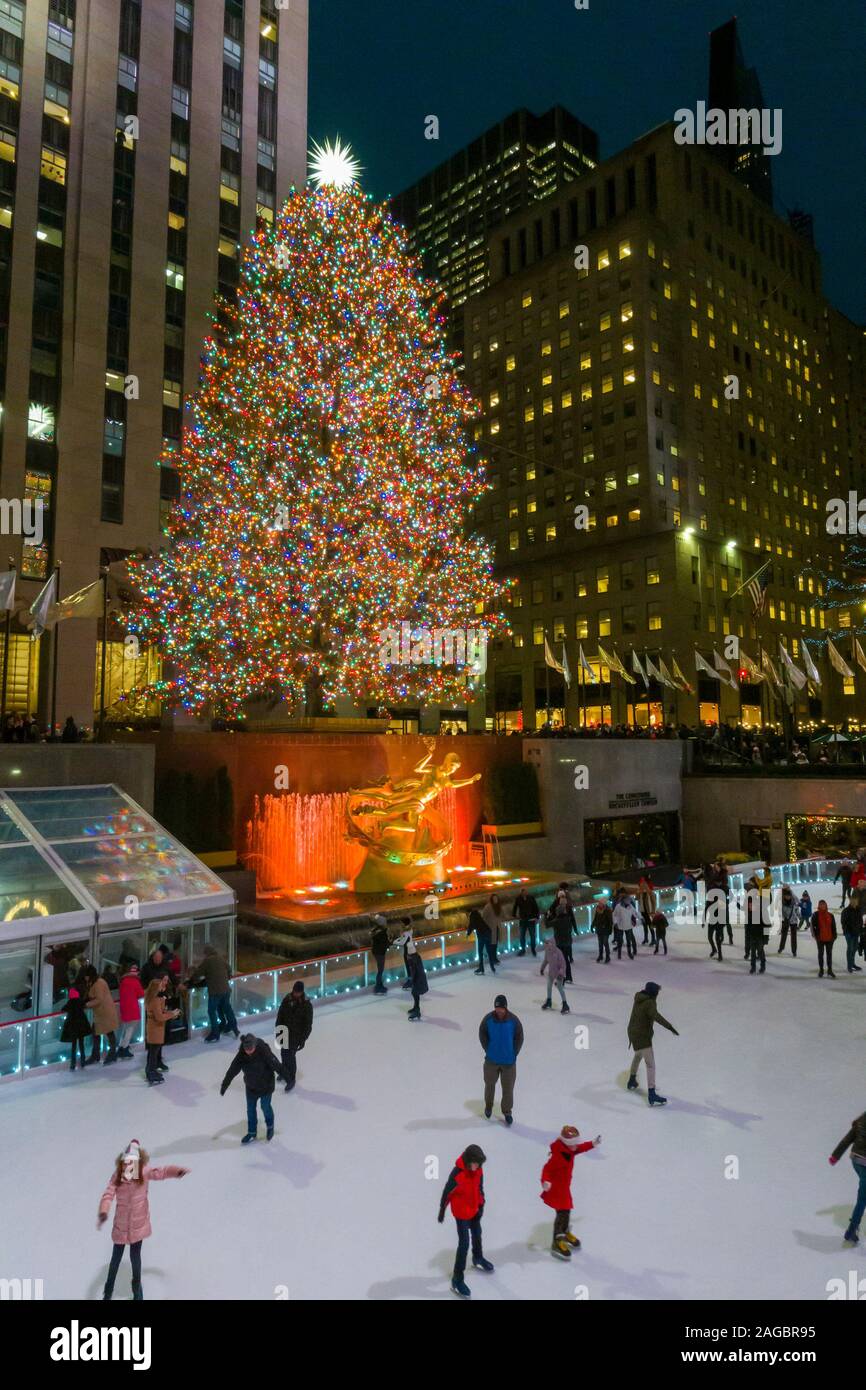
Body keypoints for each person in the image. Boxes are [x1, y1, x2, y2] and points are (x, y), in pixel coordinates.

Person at [98, 1140, 189, 1301]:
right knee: (115, 1259)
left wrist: (176, 1172)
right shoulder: (117, 1176)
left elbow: (161, 1172)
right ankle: (108, 1289)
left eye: (132, 1163)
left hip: (138, 1226)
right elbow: (108, 1194)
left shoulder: (144, 1172)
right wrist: (104, 1211)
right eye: (126, 1163)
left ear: (138, 1162)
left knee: (135, 1258)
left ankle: (137, 1289)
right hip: (121, 1226)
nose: (129, 1167)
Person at [437, 1144, 493, 1298]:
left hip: (474, 1209)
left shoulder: (479, 1169)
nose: (477, 1166)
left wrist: (481, 1203)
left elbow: (480, 1187)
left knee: (477, 1233)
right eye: (475, 1163)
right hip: (461, 1213)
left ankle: (478, 1257)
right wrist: (442, 1210)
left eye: (479, 1163)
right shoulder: (457, 1174)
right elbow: (447, 1192)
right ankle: (457, 1278)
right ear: (468, 1160)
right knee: (464, 1244)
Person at [540, 1125, 601, 1259]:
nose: (576, 1147)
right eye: (574, 1144)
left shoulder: (570, 1149)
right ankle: (557, 1240)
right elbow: (547, 1169)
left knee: (566, 1211)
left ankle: (565, 1231)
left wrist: (592, 1144)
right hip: (556, 1189)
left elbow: (580, 1148)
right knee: (562, 1213)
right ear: (567, 1143)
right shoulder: (558, 1155)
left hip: (564, 1188)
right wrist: (545, 1182)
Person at [220, 1033, 287, 1143]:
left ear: (255, 1046)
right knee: (250, 1110)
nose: (249, 1052)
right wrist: (224, 1085)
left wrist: (288, 1077)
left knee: (265, 1107)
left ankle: (270, 1126)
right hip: (251, 1087)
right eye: (247, 1050)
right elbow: (232, 1070)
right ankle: (252, 1132)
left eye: (251, 1049)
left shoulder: (263, 1051)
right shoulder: (241, 1055)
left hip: (266, 1085)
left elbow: (276, 1064)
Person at [626, 981, 679, 1107]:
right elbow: (656, 1016)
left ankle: (632, 1080)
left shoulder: (639, 997)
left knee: (638, 1055)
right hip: (642, 1036)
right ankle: (651, 1093)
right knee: (650, 1065)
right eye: (657, 992)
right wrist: (670, 1027)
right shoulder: (649, 1002)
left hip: (633, 1032)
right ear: (654, 993)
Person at [478, 994, 523, 1124]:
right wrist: (488, 1049)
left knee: (508, 1089)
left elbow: (519, 1037)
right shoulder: (488, 1019)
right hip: (491, 1060)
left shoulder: (513, 1021)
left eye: (501, 1008)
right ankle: (488, 1106)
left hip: (509, 1062)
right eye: (496, 1008)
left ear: (505, 1008)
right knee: (489, 1085)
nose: (498, 1011)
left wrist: (514, 1053)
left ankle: (507, 1111)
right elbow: (482, 1033)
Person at [186, 944, 237, 1042]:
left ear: (207, 953)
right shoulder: (220, 959)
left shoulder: (207, 961)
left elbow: (198, 973)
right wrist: (228, 976)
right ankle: (233, 1026)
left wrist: (190, 981)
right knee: (227, 1008)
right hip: (226, 990)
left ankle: (215, 1033)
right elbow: (229, 969)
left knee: (212, 1011)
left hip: (215, 991)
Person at [829, 1111, 866, 1244]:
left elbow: (847, 1139)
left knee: (863, 1194)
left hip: (856, 1161)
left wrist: (835, 1156)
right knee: (862, 1198)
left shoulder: (861, 1120)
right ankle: (851, 1230)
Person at [275, 980, 313, 1090]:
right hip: (284, 1032)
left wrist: (303, 1039)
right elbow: (280, 1016)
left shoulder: (306, 1005)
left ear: (301, 992)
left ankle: (291, 1078)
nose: (295, 994)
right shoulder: (287, 1000)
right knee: (283, 1053)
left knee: (290, 1056)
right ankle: (284, 1072)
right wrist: (278, 1031)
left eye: (298, 992)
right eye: (295, 991)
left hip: (296, 1036)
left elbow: (308, 1025)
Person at [144, 977, 179, 1086]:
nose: (163, 987)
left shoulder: (155, 998)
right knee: (154, 1052)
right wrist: (171, 1014)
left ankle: (151, 1070)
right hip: (155, 1028)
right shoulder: (154, 1000)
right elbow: (159, 1017)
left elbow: (160, 1012)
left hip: (154, 1028)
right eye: (160, 986)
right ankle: (151, 1072)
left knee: (153, 1051)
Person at [84, 967, 120, 1066]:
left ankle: (110, 1053)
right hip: (101, 1013)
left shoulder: (99, 983)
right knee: (96, 1032)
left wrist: (86, 1005)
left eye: (86, 976)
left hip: (105, 1012)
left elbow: (99, 999)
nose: (85, 978)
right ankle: (97, 1054)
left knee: (108, 1032)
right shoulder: (93, 982)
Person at [547, 889, 578, 981]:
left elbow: (548, 923)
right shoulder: (567, 917)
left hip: (560, 940)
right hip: (566, 938)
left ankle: (563, 978)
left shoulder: (559, 916)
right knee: (565, 958)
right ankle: (567, 976)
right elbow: (572, 919)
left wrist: (548, 916)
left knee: (562, 960)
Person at [60, 983, 92, 1072]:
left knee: (74, 1046)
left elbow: (63, 1009)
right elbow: (85, 1004)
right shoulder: (80, 1002)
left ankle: (73, 1064)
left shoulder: (70, 1003)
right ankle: (82, 1060)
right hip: (81, 1027)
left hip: (73, 1028)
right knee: (81, 1044)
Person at [117, 963, 144, 1060]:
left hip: (124, 1008)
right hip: (132, 1008)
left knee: (125, 1028)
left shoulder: (123, 981)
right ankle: (124, 1048)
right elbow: (141, 994)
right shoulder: (135, 982)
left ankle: (121, 1046)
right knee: (130, 1029)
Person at [539, 933, 569, 1014]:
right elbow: (545, 961)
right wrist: (542, 968)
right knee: (549, 986)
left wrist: (561, 974)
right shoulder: (547, 951)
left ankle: (565, 1004)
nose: (547, 945)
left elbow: (563, 965)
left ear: (553, 943)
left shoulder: (558, 953)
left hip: (559, 974)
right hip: (551, 972)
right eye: (546, 943)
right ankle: (549, 1001)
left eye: (548, 943)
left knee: (560, 988)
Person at [743, 876, 766, 975]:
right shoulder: (749, 915)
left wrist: (765, 937)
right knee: (753, 951)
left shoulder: (761, 913)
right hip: (752, 934)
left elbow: (765, 924)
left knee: (760, 950)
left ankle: (763, 965)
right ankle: (753, 967)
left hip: (760, 934)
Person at [810, 899, 837, 979]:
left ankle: (830, 970)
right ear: (819, 906)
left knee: (829, 955)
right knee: (820, 954)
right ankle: (821, 970)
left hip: (829, 938)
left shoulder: (830, 915)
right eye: (821, 905)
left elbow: (833, 926)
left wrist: (834, 936)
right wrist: (815, 936)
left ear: (826, 905)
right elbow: (812, 926)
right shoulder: (815, 915)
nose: (822, 906)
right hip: (820, 939)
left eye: (823, 905)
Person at [512, 886, 540, 957]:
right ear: (521, 893)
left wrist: (537, 917)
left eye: (525, 892)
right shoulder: (518, 899)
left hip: (531, 920)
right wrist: (514, 915)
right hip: (523, 920)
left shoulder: (531, 898)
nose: (524, 893)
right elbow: (515, 907)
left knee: (532, 936)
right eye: (523, 892)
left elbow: (536, 907)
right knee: (522, 936)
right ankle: (523, 949)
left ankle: (533, 949)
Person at [468, 907, 496, 975]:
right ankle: (492, 967)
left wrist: (468, 933)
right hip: (488, 933)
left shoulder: (472, 915)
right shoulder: (478, 915)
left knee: (480, 952)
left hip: (482, 935)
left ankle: (481, 968)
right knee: (489, 950)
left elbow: (472, 925)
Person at [612, 892, 638, 961]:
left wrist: (640, 918)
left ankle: (630, 953)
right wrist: (615, 923)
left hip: (628, 926)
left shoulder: (630, 906)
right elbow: (614, 915)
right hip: (620, 926)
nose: (629, 901)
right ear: (623, 900)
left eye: (629, 900)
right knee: (620, 941)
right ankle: (619, 953)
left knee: (629, 940)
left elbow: (635, 913)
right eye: (628, 900)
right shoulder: (618, 906)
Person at [841, 893, 863, 974]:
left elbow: (860, 921)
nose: (855, 902)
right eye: (853, 901)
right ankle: (849, 965)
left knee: (855, 948)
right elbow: (843, 922)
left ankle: (852, 964)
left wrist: (860, 930)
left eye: (856, 901)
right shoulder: (846, 911)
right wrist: (847, 931)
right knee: (850, 948)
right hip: (849, 933)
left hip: (856, 932)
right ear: (850, 901)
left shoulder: (858, 910)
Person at [406, 944, 428, 1021]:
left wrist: (412, 979)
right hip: (419, 978)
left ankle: (417, 1011)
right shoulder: (415, 957)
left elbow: (414, 971)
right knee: (415, 993)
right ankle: (416, 1008)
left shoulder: (413, 960)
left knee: (415, 993)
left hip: (418, 979)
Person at [369, 913, 391, 994]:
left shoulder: (377, 931)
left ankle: (380, 985)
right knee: (380, 970)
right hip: (380, 953)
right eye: (385, 922)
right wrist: (389, 943)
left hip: (377, 951)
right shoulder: (381, 933)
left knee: (380, 970)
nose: (386, 923)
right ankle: (378, 987)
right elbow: (384, 943)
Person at [777, 885, 800, 957]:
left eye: (789, 896)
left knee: (794, 937)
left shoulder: (794, 902)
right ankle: (781, 948)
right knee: (784, 935)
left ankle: (794, 951)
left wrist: (800, 916)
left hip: (794, 921)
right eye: (786, 896)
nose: (787, 897)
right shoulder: (782, 903)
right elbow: (780, 912)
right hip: (785, 921)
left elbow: (797, 909)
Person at [481, 894, 504, 965]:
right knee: (491, 945)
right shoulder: (488, 907)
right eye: (494, 899)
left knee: (495, 944)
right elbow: (483, 917)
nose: (495, 900)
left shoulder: (498, 906)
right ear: (492, 899)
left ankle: (494, 958)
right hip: (490, 929)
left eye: (496, 898)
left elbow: (502, 915)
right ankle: (493, 958)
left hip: (497, 928)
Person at [637, 877, 657, 946]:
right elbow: (637, 899)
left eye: (643, 885)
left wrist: (653, 912)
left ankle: (653, 939)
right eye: (641, 885)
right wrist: (638, 891)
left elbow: (654, 903)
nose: (642, 886)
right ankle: (646, 939)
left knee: (650, 926)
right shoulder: (640, 893)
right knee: (644, 926)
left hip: (649, 912)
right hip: (643, 912)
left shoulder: (651, 893)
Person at [592, 898, 613, 963]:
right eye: (599, 903)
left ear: (603, 903)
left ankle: (608, 956)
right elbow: (595, 918)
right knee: (600, 943)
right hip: (599, 928)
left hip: (605, 929)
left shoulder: (608, 910)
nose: (599, 904)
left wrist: (610, 929)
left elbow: (610, 921)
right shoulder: (598, 909)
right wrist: (592, 925)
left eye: (600, 903)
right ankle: (600, 955)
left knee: (605, 942)